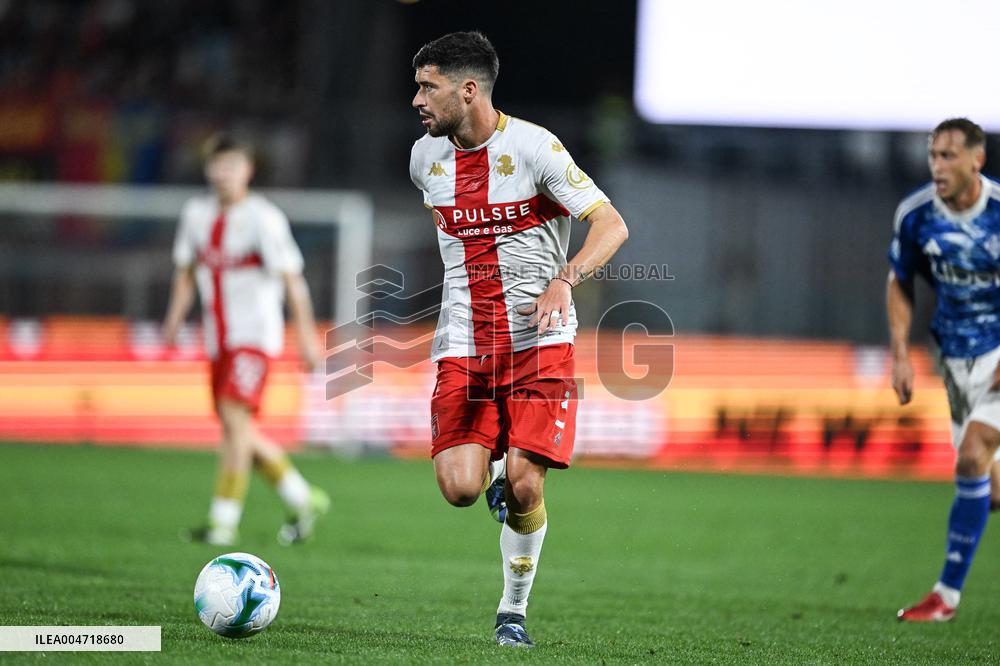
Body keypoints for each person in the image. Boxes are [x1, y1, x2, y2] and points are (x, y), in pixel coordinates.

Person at [408, 32, 629, 647]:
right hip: (463, 343)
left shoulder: (536, 148)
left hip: (540, 340)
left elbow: (611, 224)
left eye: (428, 87)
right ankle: (499, 461)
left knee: (527, 483)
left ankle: (512, 611)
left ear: (468, 89)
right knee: (458, 488)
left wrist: (566, 278)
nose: (417, 100)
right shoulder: (424, 160)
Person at [162, 134, 329, 547]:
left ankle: (222, 521)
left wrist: (307, 338)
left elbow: (293, 280)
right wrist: (172, 321)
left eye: (233, 165)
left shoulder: (263, 218)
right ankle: (303, 497)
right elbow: (185, 273)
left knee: (235, 423)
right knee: (237, 429)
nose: (224, 173)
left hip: (254, 335)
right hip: (218, 338)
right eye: (218, 165)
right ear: (208, 169)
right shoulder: (196, 214)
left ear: (248, 171)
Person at [890, 118, 1000, 621]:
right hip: (954, 360)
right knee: (989, 487)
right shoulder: (916, 215)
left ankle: (945, 597)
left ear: (977, 159)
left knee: (972, 455)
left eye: (949, 156)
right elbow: (900, 282)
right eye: (934, 155)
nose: (938, 166)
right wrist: (899, 353)